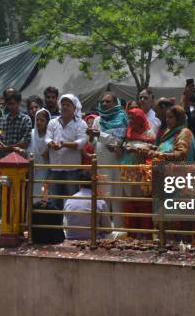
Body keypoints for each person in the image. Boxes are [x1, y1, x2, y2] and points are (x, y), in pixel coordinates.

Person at [89, 92, 128, 226]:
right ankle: (104, 230)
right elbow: (93, 143)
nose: (104, 104)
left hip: (116, 163)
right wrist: (90, 137)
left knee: (117, 198)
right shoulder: (97, 120)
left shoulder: (121, 118)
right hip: (101, 163)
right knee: (103, 198)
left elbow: (118, 141)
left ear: (115, 103)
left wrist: (100, 135)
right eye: (103, 102)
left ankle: (119, 230)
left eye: (108, 101)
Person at [45, 94, 88, 210]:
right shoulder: (52, 122)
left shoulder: (81, 124)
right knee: (54, 201)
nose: (64, 107)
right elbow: (47, 138)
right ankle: (56, 227)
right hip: (55, 168)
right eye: (63, 104)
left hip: (72, 169)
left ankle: (71, 226)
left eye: (68, 105)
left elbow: (81, 142)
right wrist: (51, 144)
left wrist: (64, 144)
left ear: (74, 108)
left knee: (72, 201)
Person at [120, 108, 155, 236]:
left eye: (132, 118)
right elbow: (123, 146)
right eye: (128, 118)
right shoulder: (128, 132)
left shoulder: (149, 133)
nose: (129, 121)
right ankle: (132, 235)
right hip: (129, 174)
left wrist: (136, 149)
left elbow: (152, 150)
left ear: (140, 119)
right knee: (130, 203)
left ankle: (146, 236)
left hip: (143, 174)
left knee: (143, 204)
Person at [63, 170, 111, 240]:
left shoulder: (69, 200)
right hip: (94, 240)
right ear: (96, 184)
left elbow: (66, 225)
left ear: (79, 184)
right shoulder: (100, 202)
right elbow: (108, 229)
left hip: (71, 239)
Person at [0, 92, 32, 157]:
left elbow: (26, 142)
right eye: (9, 104)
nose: (11, 106)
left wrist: (7, 148)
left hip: (20, 158)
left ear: (19, 103)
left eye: (13, 104)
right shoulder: (2, 120)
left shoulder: (26, 119)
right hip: (3, 158)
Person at [27, 108, 50, 198]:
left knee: (42, 194)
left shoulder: (50, 136)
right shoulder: (31, 133)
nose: (39, 122)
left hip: (45, 169)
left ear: (47, 122)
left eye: (42, 120)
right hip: (31, 168)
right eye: (37, 120)